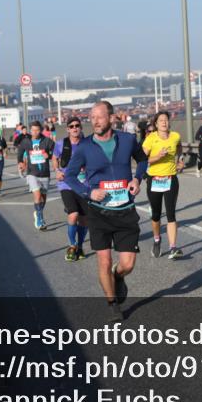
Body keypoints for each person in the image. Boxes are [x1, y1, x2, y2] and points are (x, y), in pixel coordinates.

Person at [63, 101, 149, 322]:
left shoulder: (128, 140)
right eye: (92, 117)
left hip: (125, 210)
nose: (95, 121)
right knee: (104, 260)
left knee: (127, 264)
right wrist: (88, 192)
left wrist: (137, 179)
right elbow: (69, 176)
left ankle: (117, 277)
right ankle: (113, 305)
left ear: (111, 118)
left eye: (99, 117)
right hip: (98, 212)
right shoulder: (84, 147)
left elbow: (142, 159)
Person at [142, 111, 185, 260]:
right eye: (161, 120)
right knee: (156, 214)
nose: (164, 122)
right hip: (154, 179)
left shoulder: (175, 136)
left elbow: (179, 147)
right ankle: (157, 239)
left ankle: (173, 247)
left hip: (171, 178)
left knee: (171, 214)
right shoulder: (150, 139)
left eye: (166, 120)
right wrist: (157, 157)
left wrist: (180, 160)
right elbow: (142, 159)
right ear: (156, 124)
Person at [52, 117, 90, 262]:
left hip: (84, 185)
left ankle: (79, 246)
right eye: (72, 126)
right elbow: (54, 158)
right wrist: (57, 170)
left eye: (77, 125)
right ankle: (72, 246)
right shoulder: (61, 143)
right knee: (73, 214)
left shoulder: (87, 143)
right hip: (66, 184)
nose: (75, 128)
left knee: (84, 220)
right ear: (67, 129)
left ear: (81, 127)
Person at [17, 121, 55, 230]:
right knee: (37, 195)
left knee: (43, 198)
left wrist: (49, 155)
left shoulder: (47, 141)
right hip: (32, 173)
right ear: (30, 130)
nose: (35, 132)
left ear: (41, 130)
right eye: (33, 130)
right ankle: (39, 218)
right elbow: (20, 153)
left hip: (45, 173)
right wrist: (21, 162)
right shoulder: (26, 141)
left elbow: (55, 151)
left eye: (37, 130)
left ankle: (38, 212)